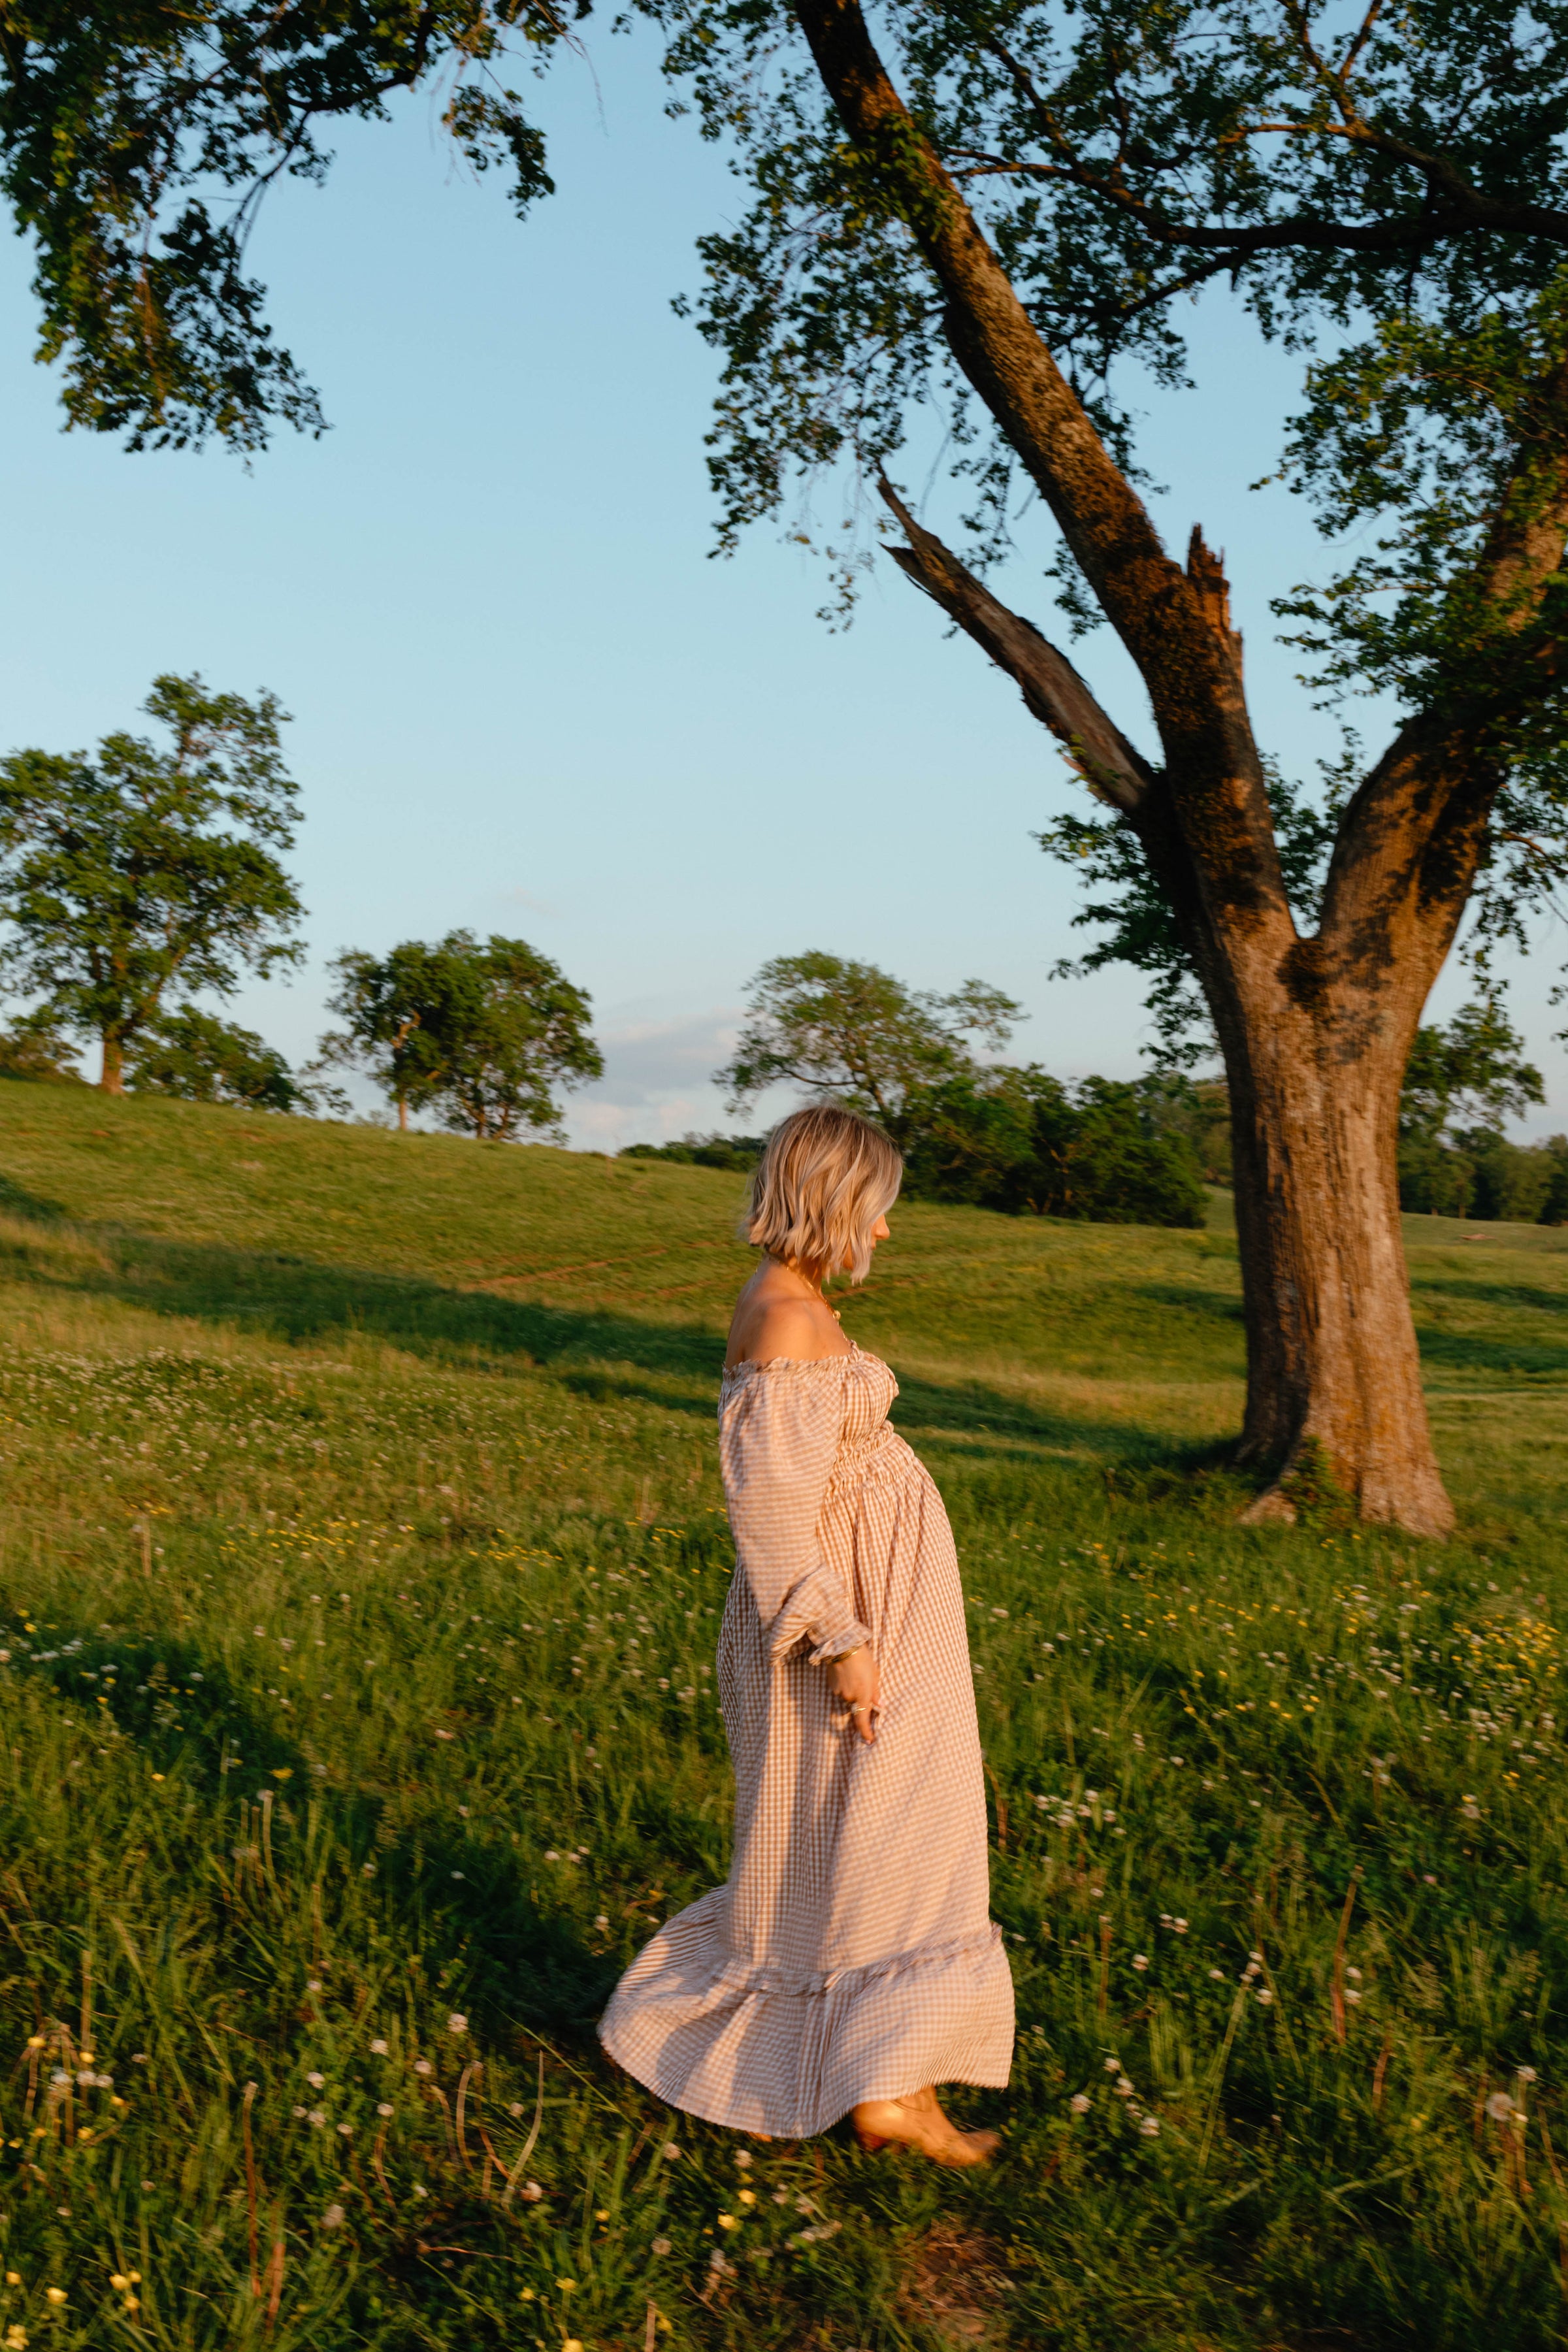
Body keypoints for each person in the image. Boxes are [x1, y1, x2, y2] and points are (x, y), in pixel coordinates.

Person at [598, 1103, 1013, 2163]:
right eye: (876, 1213)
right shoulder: (784, 1316)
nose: (884, 1233)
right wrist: (847, 1645)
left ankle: (893, 2083)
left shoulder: (799, 1303)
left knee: (901, 1844)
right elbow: (772, 1513)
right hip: (839, 1631)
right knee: (862, 1844)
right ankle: (875, 2087)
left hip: (881, 1618)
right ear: (833, 1201)